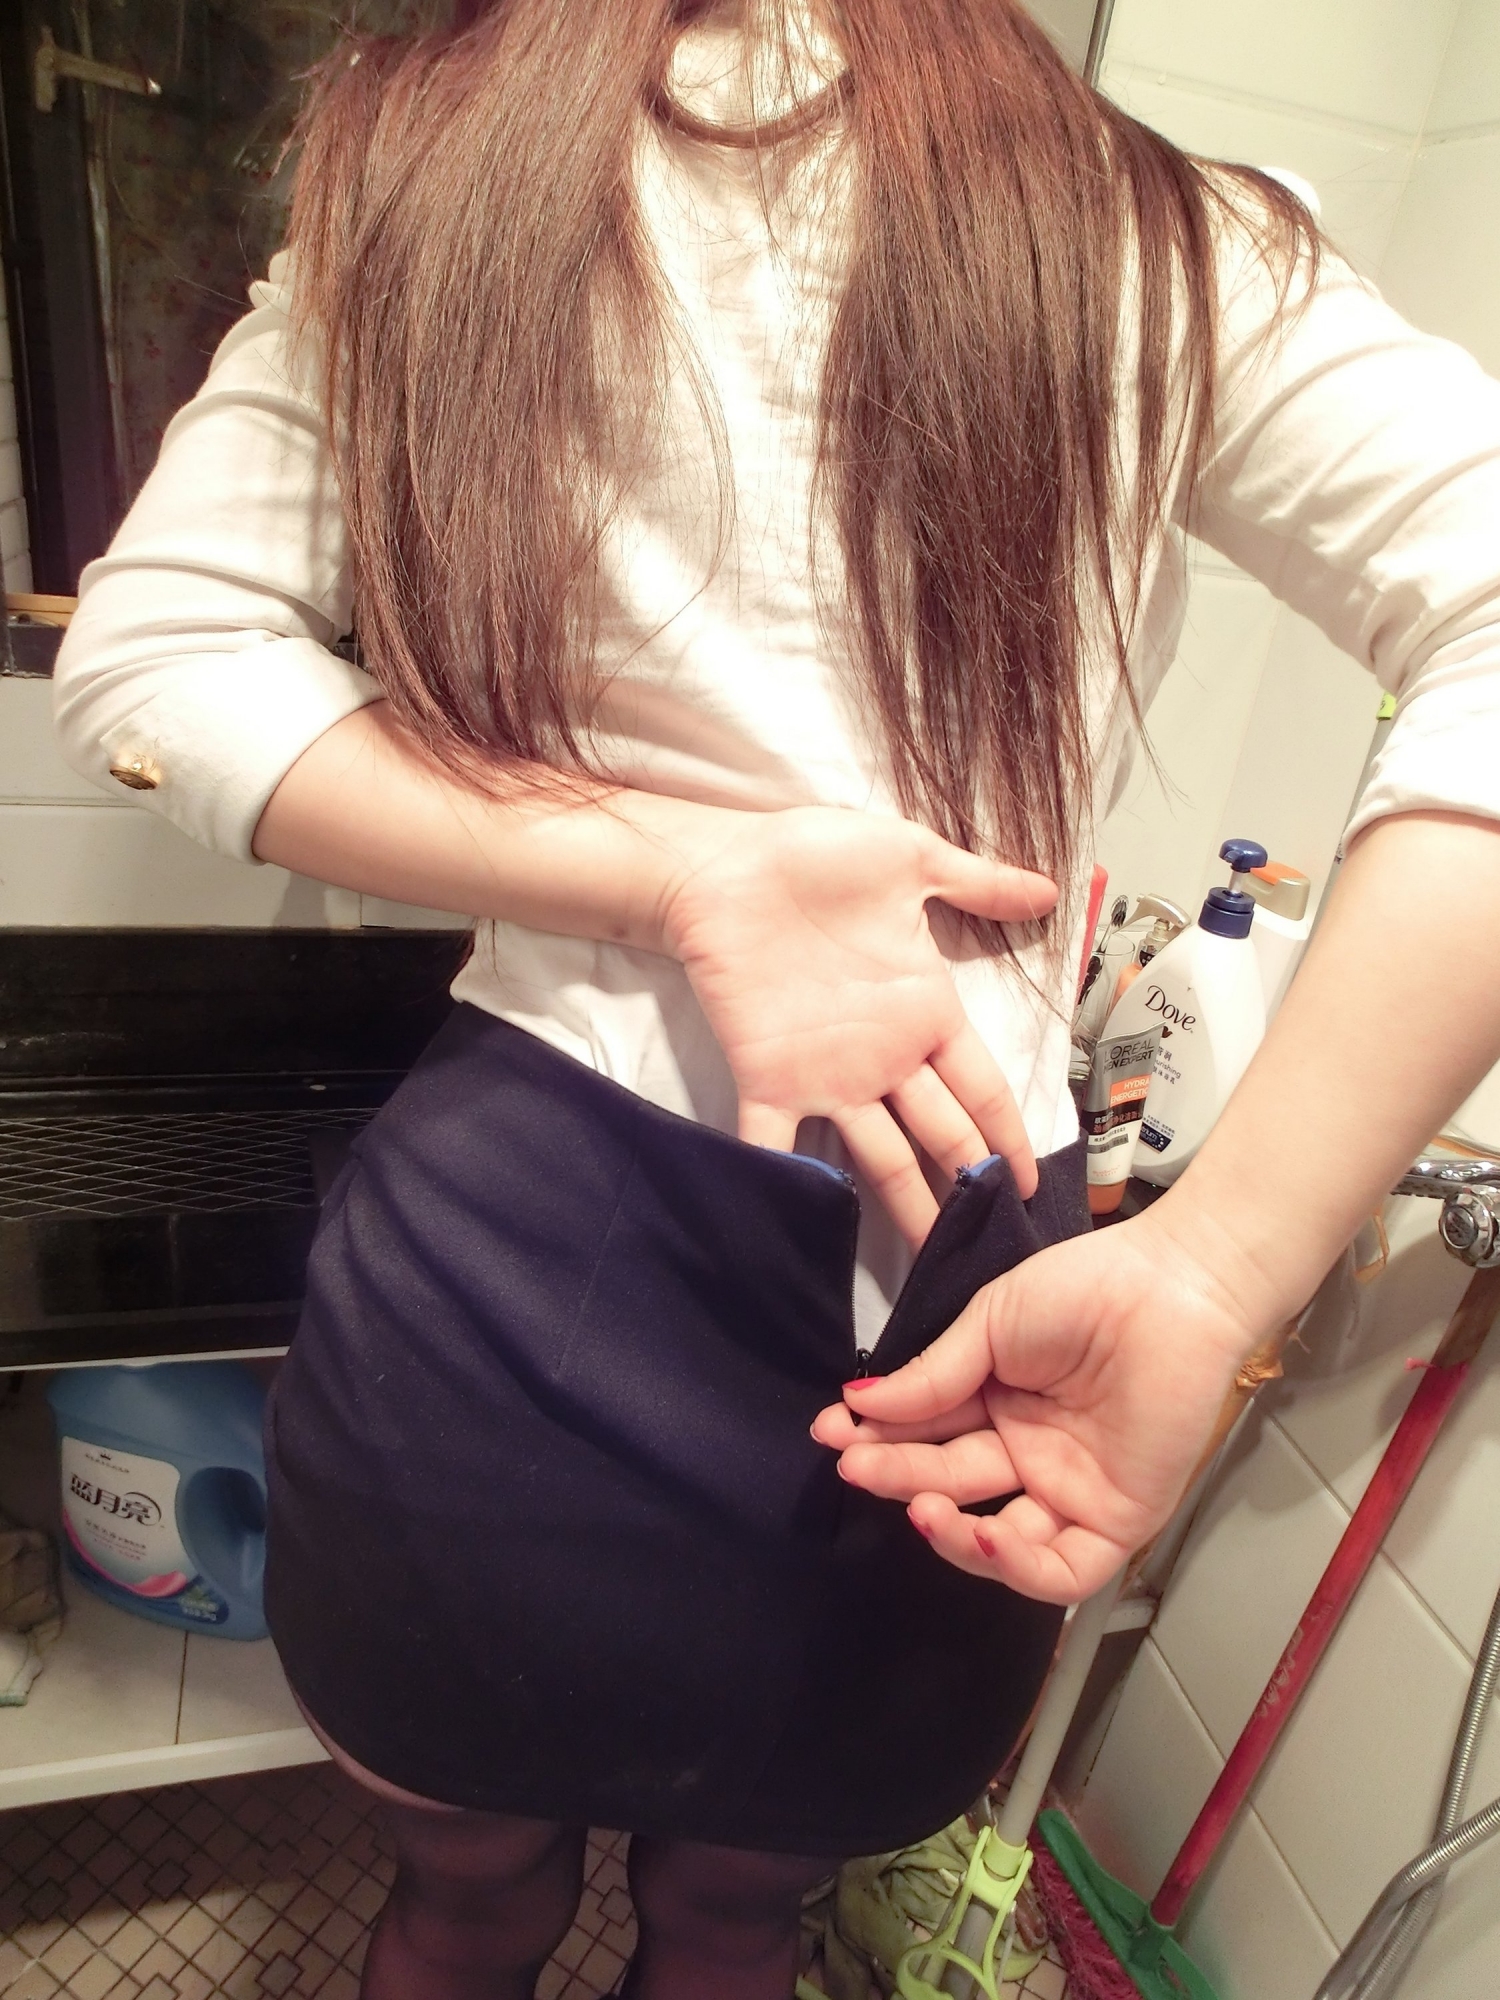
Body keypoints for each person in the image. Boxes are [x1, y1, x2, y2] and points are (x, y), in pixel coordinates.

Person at [52, 1, 1500, 1994]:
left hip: (564, 1269)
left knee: (466, 1898)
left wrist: (672, 865)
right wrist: (1213, 1274)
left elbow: (158, 659)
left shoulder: (417, 178)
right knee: (744, 1911)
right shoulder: (1174, 239)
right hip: (937, 1290)